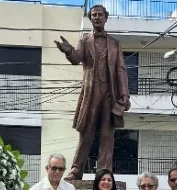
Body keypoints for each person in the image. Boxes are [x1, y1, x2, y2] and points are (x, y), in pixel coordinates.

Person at [54, 4, 130, 180]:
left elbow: (121, 70)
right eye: (93, 15)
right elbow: (77, 58)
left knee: (106, 135)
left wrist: (124, 94)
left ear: (106, 17)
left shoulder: (115, 44)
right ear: (90, 18)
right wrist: (68, 51)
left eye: (99, 15)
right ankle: (76, 170)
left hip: (109, 94)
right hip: (91, 92)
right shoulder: (84, 41)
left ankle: (104, 172)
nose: (96, 17)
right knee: (86, 133)